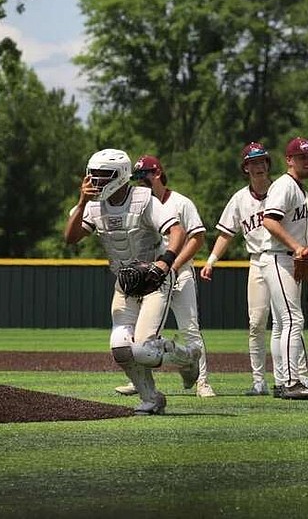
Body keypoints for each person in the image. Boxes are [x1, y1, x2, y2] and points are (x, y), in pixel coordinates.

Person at [64, 148, 200, 416]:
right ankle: (151, 399)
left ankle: (187, 358)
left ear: (121, 175)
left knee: (144, 350)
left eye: (103, 175)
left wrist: (165, 263)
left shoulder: (143, 199)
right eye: (93, 175)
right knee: (120, 348)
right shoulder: (92, 206)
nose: (96, 181)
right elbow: (70, 238)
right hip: (124, 282)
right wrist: (81, 202)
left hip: (154, 280)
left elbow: (177, 231)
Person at [200, 142, 308, 397]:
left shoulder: (282, 188)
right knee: (259, 323)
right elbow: (226, 234)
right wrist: (211, 261)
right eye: (253, 162)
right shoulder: (241, 199)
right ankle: (260, 380)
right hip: (260, 259)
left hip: (282, 257)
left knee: (285, 321)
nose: (258, 165)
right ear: (245, 168)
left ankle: (296, 376)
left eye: (262, 161)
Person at [114, 154, 216, 398]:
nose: (139, 182)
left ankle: (202, 382)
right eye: (136, 178)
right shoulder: (138, 205)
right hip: (147, 279)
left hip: (178, 273)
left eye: (143, 176)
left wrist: (172, 265)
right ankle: (139, 382)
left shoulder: (181, 202)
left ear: (157, 174)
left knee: (190, 329)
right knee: (141, 331)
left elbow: (197, 238)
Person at [259, 137, 308, 400]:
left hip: (286, 258)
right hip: (278, 258)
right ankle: (291, 382)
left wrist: (305, 248)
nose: (307, 161)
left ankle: (280, 381)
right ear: (289, 160)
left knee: (280, 325)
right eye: (301, 157)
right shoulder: (285, 186)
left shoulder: (298, 188)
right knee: (292, 320)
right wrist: (298, 247)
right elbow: (269, 221)